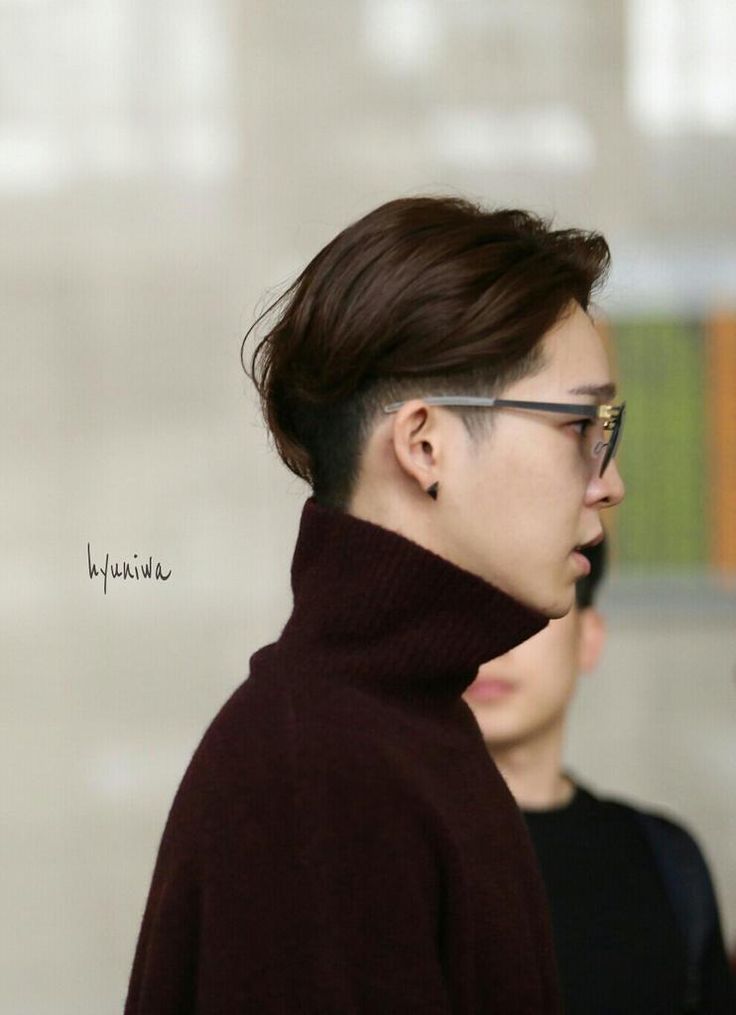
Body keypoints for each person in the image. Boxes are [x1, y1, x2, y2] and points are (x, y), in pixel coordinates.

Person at [125, 195, 625, 1013]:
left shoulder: (404, 727)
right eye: (580, 428)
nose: (610, 482)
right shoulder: (317, 774)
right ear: (424, 444)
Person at [464, 538, 736, 1014]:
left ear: (588, 638)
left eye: (526, 601)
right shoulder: (372, 845)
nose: (492, 636)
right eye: (463, 599)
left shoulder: (666, 862)